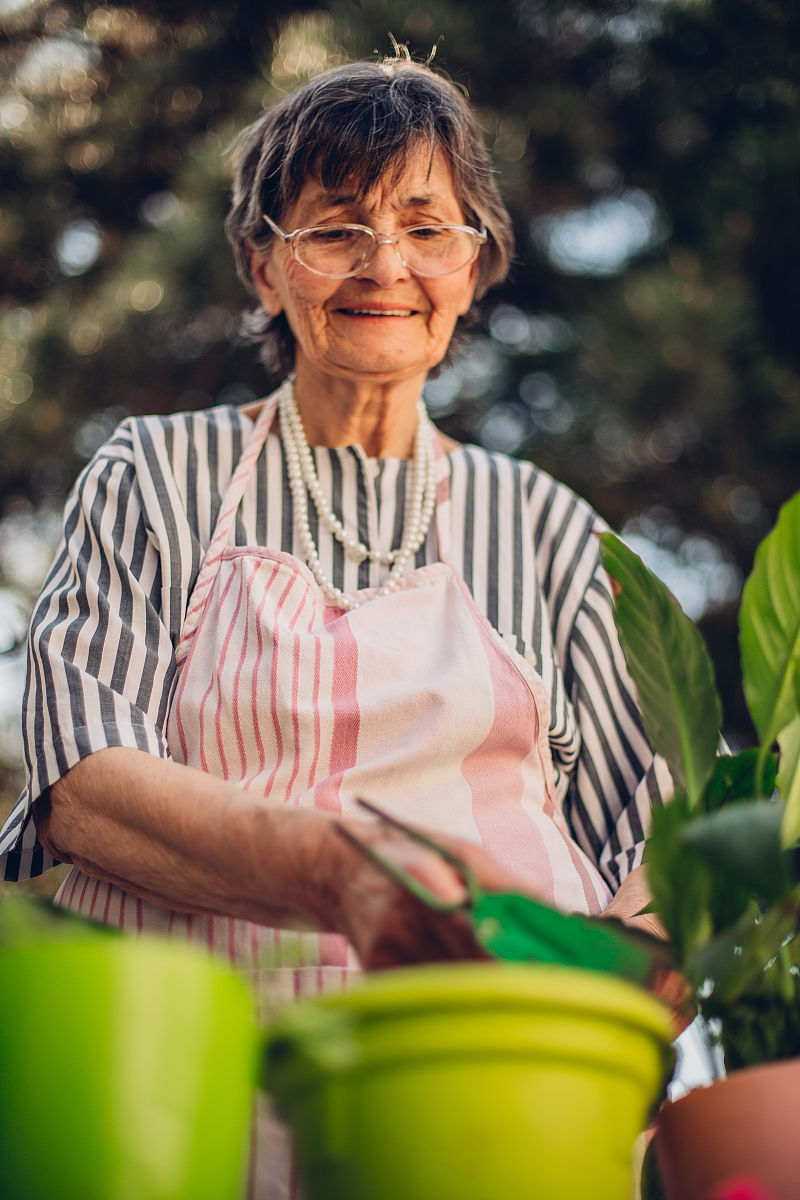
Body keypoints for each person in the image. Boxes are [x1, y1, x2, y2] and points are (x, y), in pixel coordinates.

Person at [0, 51, 673, 1196]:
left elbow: (647, 849)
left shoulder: (547, 525)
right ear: (265, 269)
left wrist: (611, 1017)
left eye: (425, 225)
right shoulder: (160, 471)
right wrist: (336, 869)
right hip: (191, 1096)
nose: (383, 264)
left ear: (473, 265)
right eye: (334, 227)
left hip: (490, 1104)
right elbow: (79, 777)